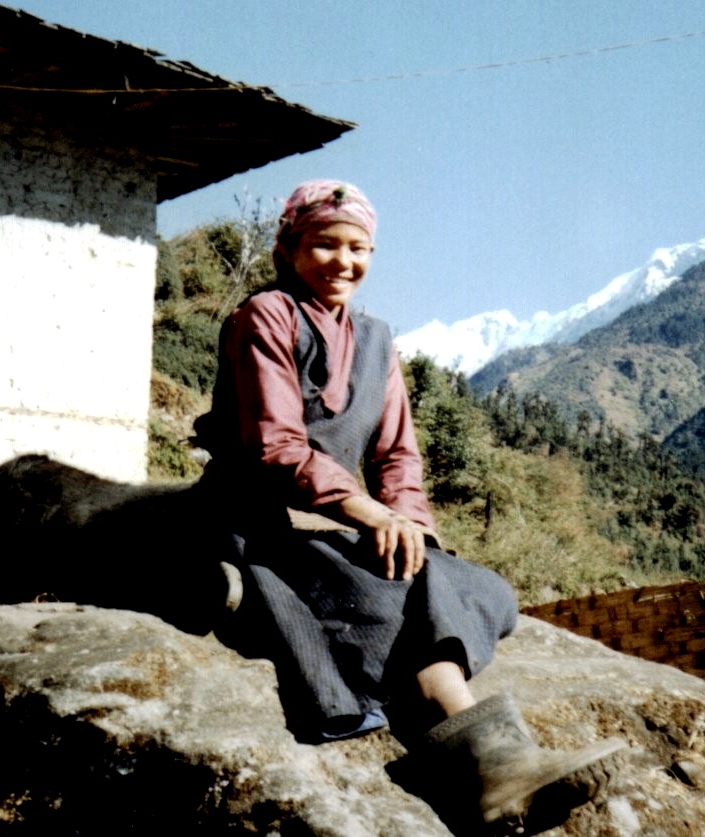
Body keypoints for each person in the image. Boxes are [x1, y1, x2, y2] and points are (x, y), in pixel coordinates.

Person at [194, 180, 624, 831]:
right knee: (381, 602)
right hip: (262, 518)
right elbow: (276, 447)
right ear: (289, 247)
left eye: (359, 248)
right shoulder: (266, 316)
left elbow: (398, 457)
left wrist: (411, 529)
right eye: (325, 244)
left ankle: (491, 766)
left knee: (482, 589)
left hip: (351, 521)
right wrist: (366, 513)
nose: (344, 261)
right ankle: (495, 762)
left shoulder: (376, 339)